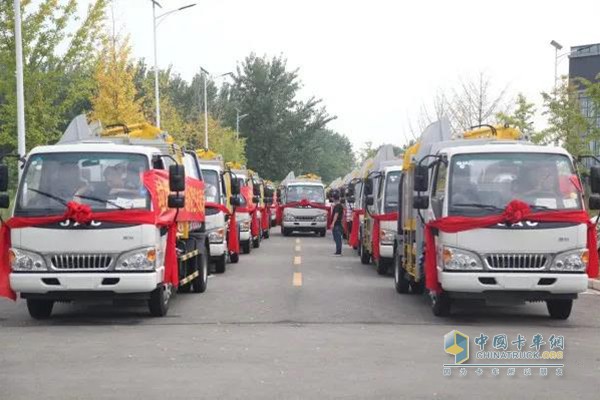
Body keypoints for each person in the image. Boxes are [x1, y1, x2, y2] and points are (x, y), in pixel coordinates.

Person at [330, 191, 344, 256]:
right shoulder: (339, 205)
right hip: (338, 223)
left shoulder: (338, 206)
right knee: (337, 238)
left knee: (337, 238)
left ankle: (338, 252)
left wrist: (333, 223)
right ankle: (338, 251)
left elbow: (336, 215)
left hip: (337, 224)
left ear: (333, 198)